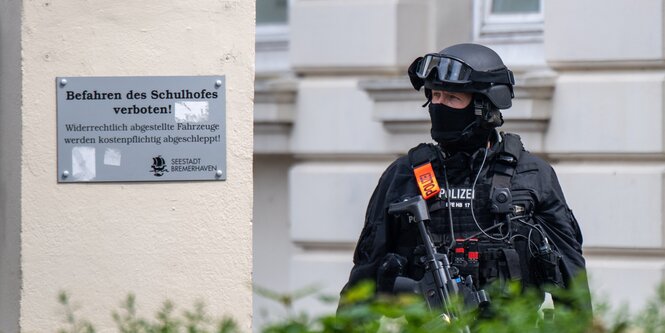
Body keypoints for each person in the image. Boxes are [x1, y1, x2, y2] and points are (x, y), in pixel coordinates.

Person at [339, 43, 590, 312]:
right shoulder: (405, 174)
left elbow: (572, 281)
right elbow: (363, 279)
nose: (439, 105)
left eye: (452, 98)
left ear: (484, 105)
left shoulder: (532, 175)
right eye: (435, 95)